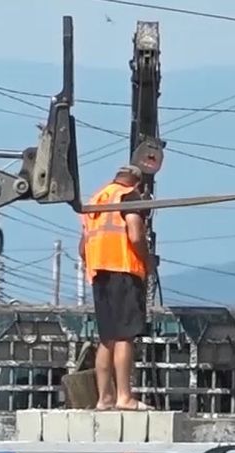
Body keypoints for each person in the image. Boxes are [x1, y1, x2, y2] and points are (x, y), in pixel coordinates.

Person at [79, 165, 152, 411]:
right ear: (137, 183)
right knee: (124, 336)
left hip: (99, 272)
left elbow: (82, 247)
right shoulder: (129, 196)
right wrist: (147, 261)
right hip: (123, 270)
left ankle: (104, 398)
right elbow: (135, 236)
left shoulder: (95, 200)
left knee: (107, 338)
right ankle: (125, 397)